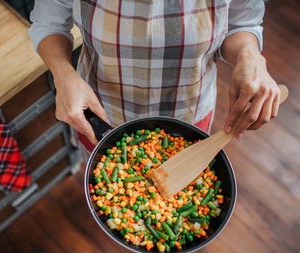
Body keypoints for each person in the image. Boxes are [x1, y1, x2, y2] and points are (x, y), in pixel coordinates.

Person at [28, 0, 280, 150]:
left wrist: (249, 54)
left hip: (189, 111)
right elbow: (49, 24)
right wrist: (63, 74)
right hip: (101, 113)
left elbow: (239, 24)